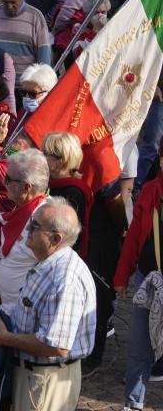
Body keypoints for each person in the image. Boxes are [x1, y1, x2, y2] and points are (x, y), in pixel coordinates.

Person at [0, 198, 97, 411]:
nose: (27, 228)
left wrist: (5, 338)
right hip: (34, 376)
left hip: (44, 382)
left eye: (34, 225)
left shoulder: (64, 280)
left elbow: (56, 345)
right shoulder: (46, 262)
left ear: (55, 238)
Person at [115, 145, 163, 410]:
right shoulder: (150, 190)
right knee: (140, 346)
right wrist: (123, 276)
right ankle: (133, 403)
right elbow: (134, 237)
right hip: (149, 277)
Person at [0, 0, 52, 92]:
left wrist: (42, 83)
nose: (9, 6)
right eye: (5, 2)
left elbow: (44, 55)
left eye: (13, 2)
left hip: (24, 87)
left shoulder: (35, 17)